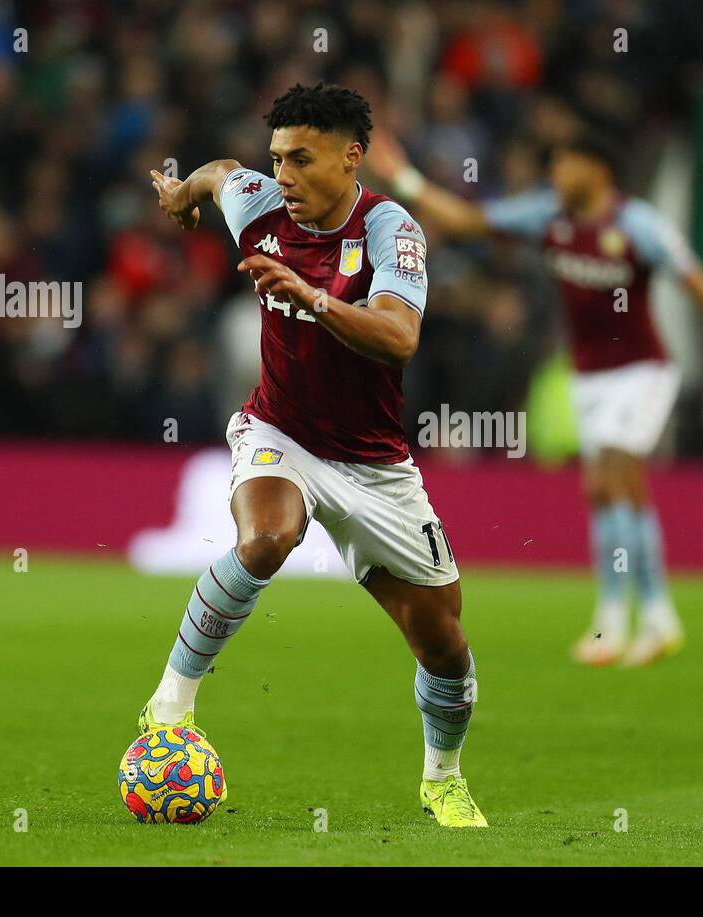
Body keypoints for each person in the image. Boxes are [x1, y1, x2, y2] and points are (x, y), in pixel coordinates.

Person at [143, 82, 487, 826]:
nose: (284, 175)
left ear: (350, 157)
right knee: (266, 539)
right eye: (278, 158)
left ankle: (443, 777)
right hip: (280, 432)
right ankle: (170, 702)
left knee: (446, 647)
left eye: (301, 159)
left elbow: (399, 336)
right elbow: (216, 172)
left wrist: (314, 298)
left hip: (375, 466)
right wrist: (182, 195)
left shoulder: (392, 230)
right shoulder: (257, 203)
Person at [369, 128, 703, 666]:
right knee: (605, 489)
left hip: (642, 370)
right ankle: (639, 616)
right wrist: (403, 176)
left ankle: (635, 617)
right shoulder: (548, 216)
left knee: (615, 476)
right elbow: (465, 220)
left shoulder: (636, 226)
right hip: (589, 376)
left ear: (599, 171)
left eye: (567, 164)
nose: (556, 174)